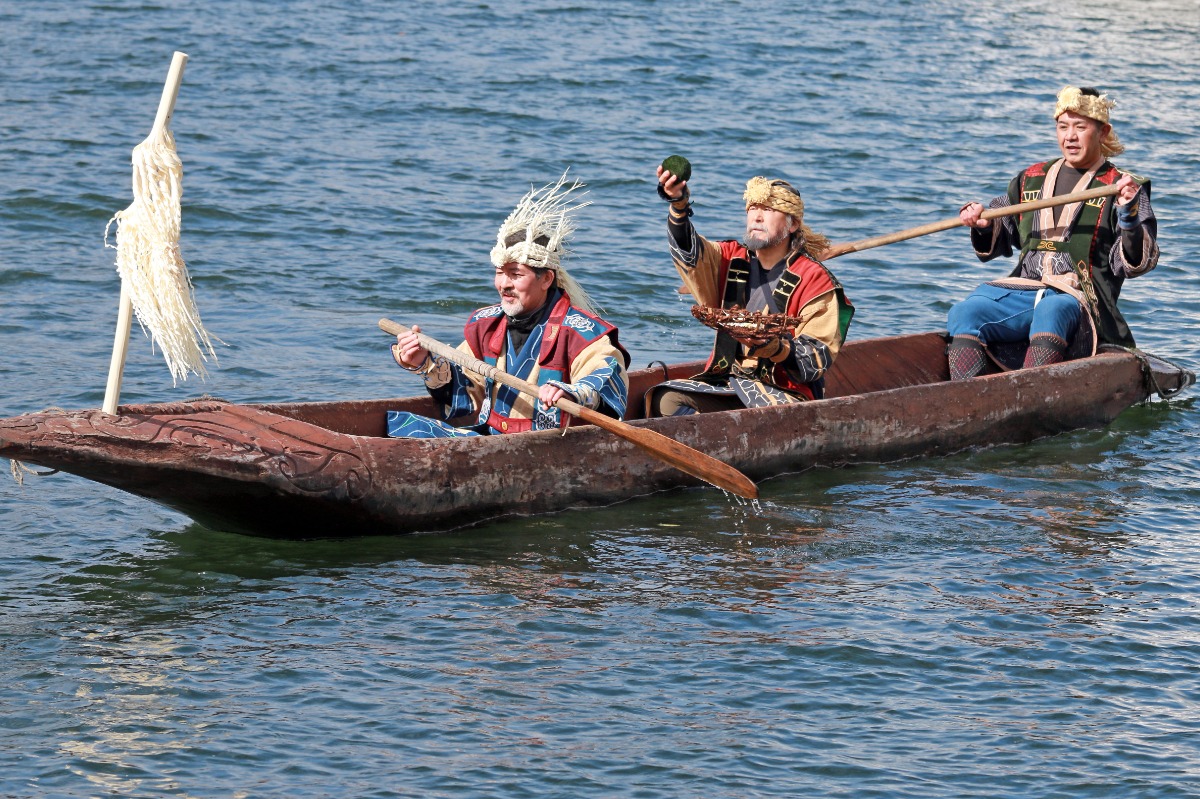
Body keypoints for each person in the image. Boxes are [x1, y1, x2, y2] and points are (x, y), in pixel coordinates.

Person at [387, 174, 630, 438]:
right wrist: (424, 362)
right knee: (399, 426)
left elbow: (606, 376)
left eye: (515, 274)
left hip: (552, 446)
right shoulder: (486, 325)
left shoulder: (582, 332)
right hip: (491, 438)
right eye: (499, 273)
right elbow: (467, 390)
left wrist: (570, 392)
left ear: (546, 278)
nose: (504, 284)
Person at [946, 85, 1159, 380]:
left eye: (1080, 127)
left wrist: (1129, 214)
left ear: (1103, 132)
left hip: (1082, 302)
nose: (1069, 136)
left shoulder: (1123, 187)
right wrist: (982, 224)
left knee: (1052, 310)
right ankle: (966, 397)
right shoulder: (1030, 179)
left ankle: (1030, 397)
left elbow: (1137, 262)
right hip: (1026, 290)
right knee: (964, 313)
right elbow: (999, 230)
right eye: (1062, 127)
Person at [645, 167, 853, 416]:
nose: (757, 217)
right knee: (664, 397)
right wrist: (679, 204)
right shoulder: (731, 257)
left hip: (785, 395)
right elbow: (689, 252)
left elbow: (817, 357)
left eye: (768, 210)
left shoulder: (816, 280)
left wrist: (775, 347)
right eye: (753, 208)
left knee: (751, 414)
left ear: (793, 224)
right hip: (727, 382)